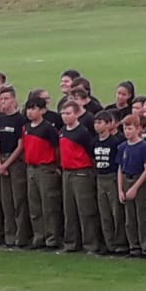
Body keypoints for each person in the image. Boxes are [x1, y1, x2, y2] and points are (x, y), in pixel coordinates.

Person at [58, 101, 102, 254]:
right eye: (63, 113)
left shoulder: (82, 132)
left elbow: (90, 152)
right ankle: (71, 243)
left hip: (81, 172)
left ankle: (91, 244)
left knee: (85, 210)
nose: (65, 116)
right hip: (67, 172)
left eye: (68, 113)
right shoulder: (62, 130)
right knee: (69, 210)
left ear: (76, 114)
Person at [22, 91, 63, 251]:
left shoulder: (48, 129)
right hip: (31, 168)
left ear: (42, 111)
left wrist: (56, 166)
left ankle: (52, 238)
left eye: (34, 108)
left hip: (46, 168)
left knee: (49, 204)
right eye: (28, 108)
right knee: (35, 204)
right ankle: (39, 236)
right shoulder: (25, 127)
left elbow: (57, 149)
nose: (30, 112)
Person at [0, 86, 30, 250]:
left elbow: (21, 145)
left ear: (14, 100)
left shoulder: (20, 120)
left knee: (18, 200)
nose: (3, 102)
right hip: (2, 159)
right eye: (1, 99)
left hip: (15, 162)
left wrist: (7, 164)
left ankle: (20, 238)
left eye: (6, 98)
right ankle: (9, 237)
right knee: (6, 201)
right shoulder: (0, 119)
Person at [118, 114, 146, 259]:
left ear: (138, 129)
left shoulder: (144, 146)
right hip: (126, 179)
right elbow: (120, 168)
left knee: (143, 217)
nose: (127, 131)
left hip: (139, 181)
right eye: (125, 128)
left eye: (130, 128)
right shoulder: (122, 147)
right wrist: (120, 189)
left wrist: (134, 188)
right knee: (130, 218)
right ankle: (133, 246)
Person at [92, 110, 129, 257]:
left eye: (100, 122)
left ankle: (120, 243)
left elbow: (119, 163)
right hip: (100, 177)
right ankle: (109, 243)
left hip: (112, 177)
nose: (97, 125)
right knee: (104, 212)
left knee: (116, 212)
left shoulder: (116, 142)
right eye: (95, 122)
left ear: (109, 124)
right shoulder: (94, 141)